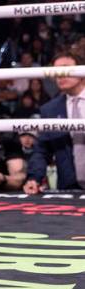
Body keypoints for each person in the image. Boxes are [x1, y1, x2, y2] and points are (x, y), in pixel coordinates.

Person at [24, 54, 85, 193]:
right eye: (56, 70)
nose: (60, 75)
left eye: (65, 69)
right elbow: (42, 149)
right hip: (70, 189)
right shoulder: (50, 109)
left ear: (81, 72)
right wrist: (34, 178)